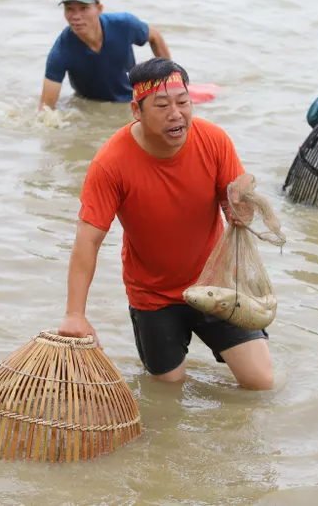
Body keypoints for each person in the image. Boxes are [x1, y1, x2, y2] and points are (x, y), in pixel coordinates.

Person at [57, 57, 275, 391]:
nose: (176, 114)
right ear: (136, 110)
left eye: (183, 102)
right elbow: (88, 241)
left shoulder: (214, 140)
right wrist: (75, 314)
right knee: (168, 392)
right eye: (162, 105)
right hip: (153, 296)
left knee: (261, 383)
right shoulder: (110, 164)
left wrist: (242, 209)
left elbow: (233, 205)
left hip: (215, 284)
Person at [39, 0, 170, 111]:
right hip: (91, 105)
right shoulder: (61, 50)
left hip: (131, 98)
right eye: (69, 9)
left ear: (99, 9)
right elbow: (46, 108)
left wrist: (169, 79)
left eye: (84, 8)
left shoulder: (124, 25)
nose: (76, 16)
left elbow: (155, 36)